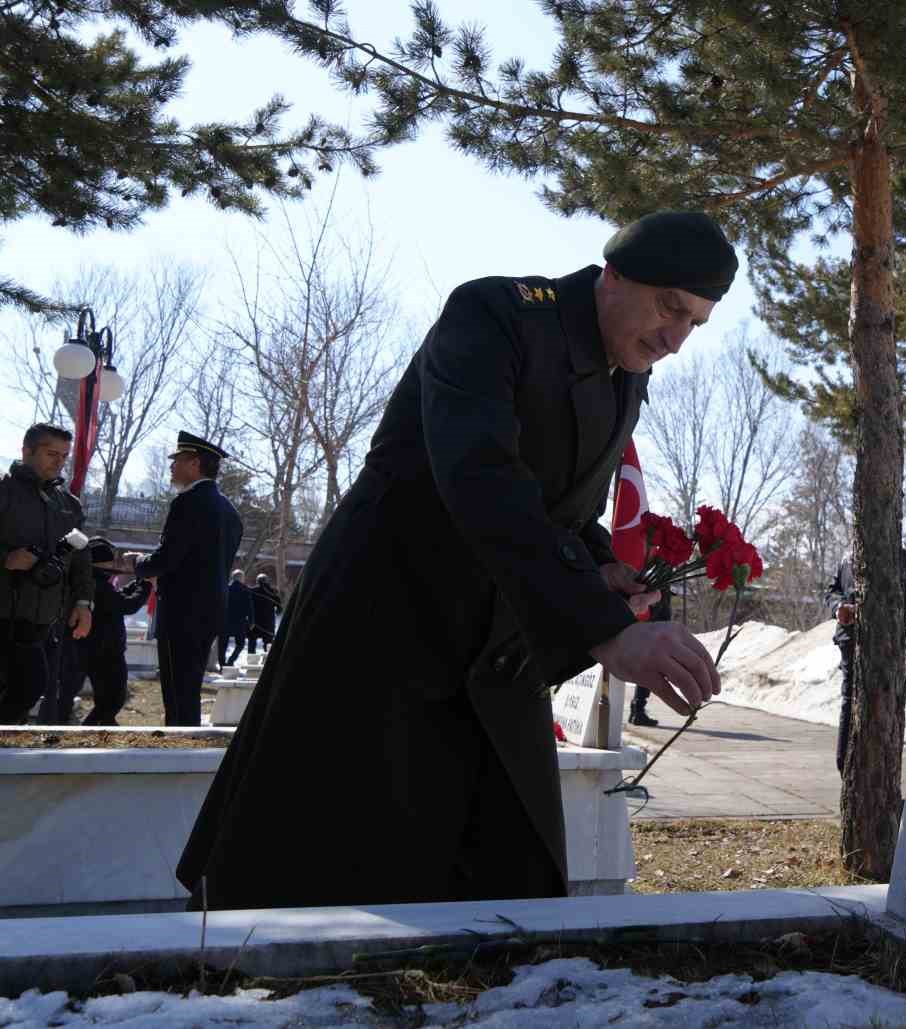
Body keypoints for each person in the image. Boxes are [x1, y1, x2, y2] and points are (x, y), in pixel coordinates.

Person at [178, 211, 735, 912]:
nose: (675, 339)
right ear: (614, 274)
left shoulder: (628, 372)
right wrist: (604, 627)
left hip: (495, 644)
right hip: (384, 620)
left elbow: (563, 507)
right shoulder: (496, 315)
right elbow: (480, 476)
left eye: (695, 323)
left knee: (513, 873)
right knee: (317, 870)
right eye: (670, 307)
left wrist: (600, 565)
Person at [131, 432, 243, 727]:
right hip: (210, 610)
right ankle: (186, 742)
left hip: (182, 610)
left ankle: (178, 748)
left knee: (178, 690)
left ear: (194, 463)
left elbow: (168, 558)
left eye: (177, 461)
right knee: (189, 686)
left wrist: (136, 563)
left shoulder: (189, 502)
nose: (172, 468)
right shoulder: (229, 510)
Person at [0, 424, 92, 723]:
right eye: (51, 453)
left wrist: (83, 603)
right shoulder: (4, 491)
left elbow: (80, 558)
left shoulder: (68, 505)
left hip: (40, 618)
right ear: (26, 451)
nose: (59, 462)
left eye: (64, 456)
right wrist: (7, 558)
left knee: (29, 687)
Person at [828, 546, 906, 774]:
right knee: (858, 697)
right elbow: (832, 592)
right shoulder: (849, 553)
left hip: (873, 636)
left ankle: (851, 765)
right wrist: (839, 608)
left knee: (862, 698)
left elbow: (903, 597)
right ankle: (849, 765)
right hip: (856, 635)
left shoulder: (856, 550)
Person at [57, 537, 150, 726]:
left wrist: (140, 581)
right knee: (112, 699)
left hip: (92, 648)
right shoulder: (95, 583)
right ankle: (88, 730)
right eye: (111, 560)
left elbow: (118, 598)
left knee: (79, 697)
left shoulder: (91, 581)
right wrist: (146, 584)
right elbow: (127, 604)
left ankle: (94, 728)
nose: (116, 564)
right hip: (103, 651)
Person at [627, 592, 672, 727]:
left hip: (651, 624)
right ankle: (638, 711)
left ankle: (637, 710)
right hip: (653, 626)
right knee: (649, 669)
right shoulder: (659, 575)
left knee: (647, 668)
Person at [219, 570, 252, 667]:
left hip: (225, 621)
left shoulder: (226, 588)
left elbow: (220, 605)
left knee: (223, 644)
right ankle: (231, 660)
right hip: (240, 621)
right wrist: (251, 621)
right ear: (241, 578)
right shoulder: (245, 589)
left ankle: (222, 664)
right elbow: (249, 607)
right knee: (240, 644)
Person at [247, 573, 280, 654]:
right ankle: (268, 659)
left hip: (255, 622)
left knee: (252, 641)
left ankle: (251, 658)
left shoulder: (252, 591)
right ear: (267, 581)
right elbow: (279, 608)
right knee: (268, 644)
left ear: (257, 581)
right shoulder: (273, 592)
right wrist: (276, 612)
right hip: (268, 623)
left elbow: (247, 605)